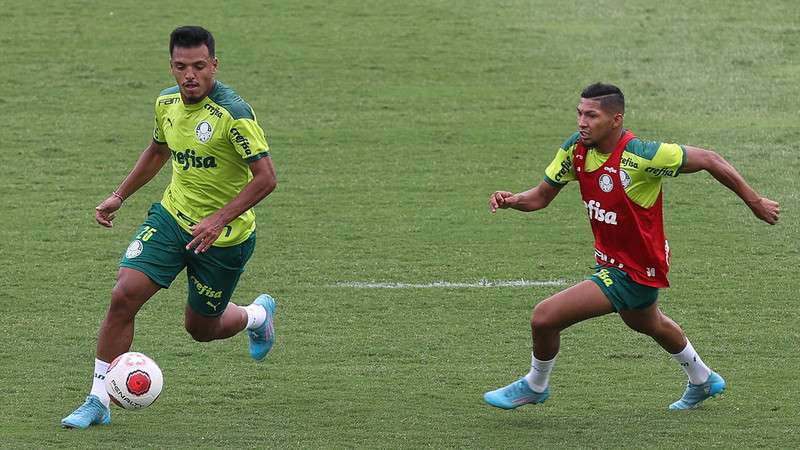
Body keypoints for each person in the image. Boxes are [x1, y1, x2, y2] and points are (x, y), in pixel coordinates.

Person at [483, 83, 780, 411]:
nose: (582, 121)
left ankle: (535, 385)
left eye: (591, 115)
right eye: (579, 113)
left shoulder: (642, 156)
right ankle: (703, 378)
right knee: (646, 323)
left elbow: (709, 159)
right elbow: (539, 197)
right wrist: (512, 200)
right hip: (614, 263)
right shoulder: (576, 150)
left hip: (635, 271)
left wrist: (754, 202)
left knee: (544, 317)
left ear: (615, 120)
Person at [62, 26, 278, 429]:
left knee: (201, 329)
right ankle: (98, 399)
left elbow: (266, 177)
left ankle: (255, 317)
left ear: (214, 64)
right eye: (181, 67)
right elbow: (158, 149)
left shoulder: (234, 114)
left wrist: (218, 219)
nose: (190, 75)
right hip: (172, 219)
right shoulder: (166, 102)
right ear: (171, 66)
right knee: (123, 296)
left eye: (199, 66)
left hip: (224, 239)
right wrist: (119, 194)